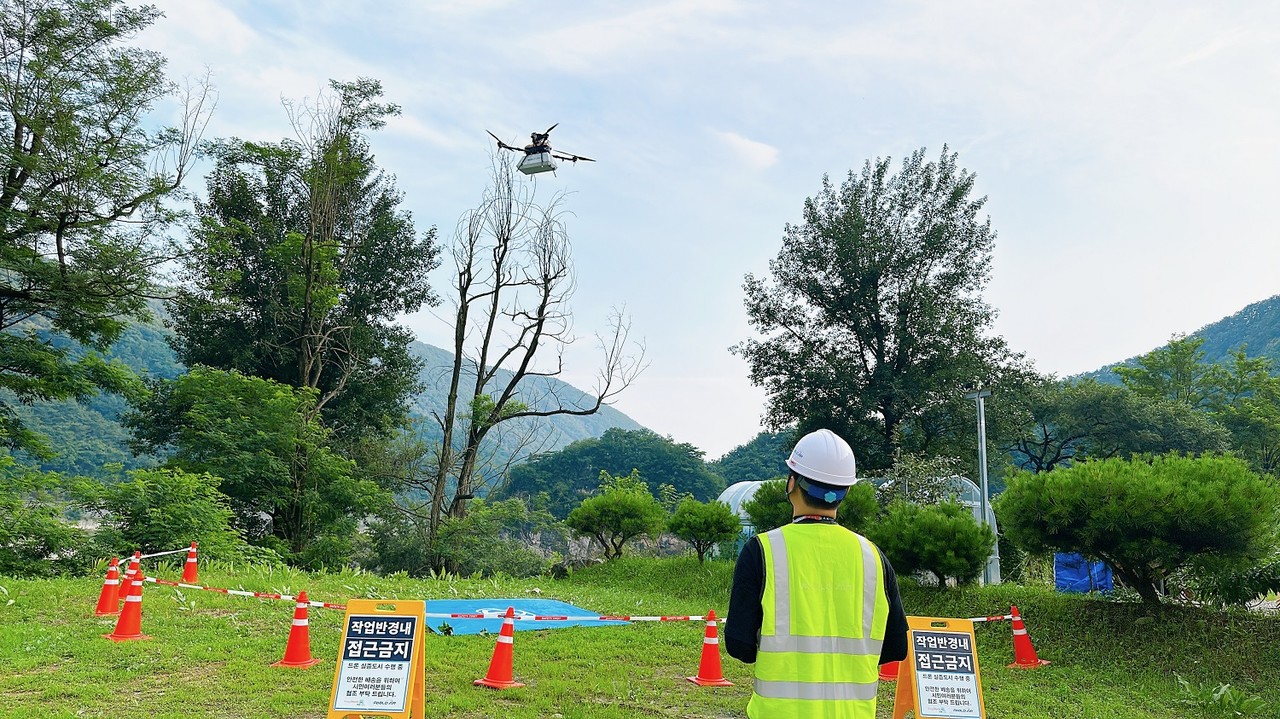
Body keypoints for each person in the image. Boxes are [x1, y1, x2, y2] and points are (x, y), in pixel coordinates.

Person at [726, 428, 908, 719]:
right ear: (845, 492)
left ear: (791, 483)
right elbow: (895, 648)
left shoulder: (762, 551)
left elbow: (739, 646)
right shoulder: (873, 557)